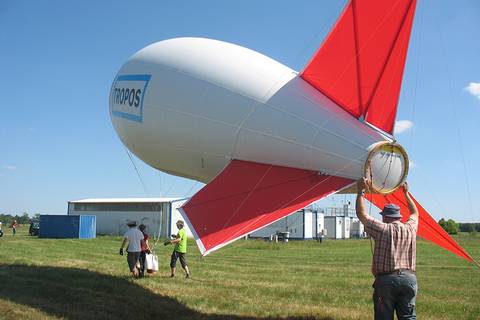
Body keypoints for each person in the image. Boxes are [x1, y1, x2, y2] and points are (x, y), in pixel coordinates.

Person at [356, 178, 419, 320]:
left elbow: (362, 215)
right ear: (398, 217)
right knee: (408, 317)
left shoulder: (383, 229)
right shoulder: (410, 228)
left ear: (385, 217)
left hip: (386, 280)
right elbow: (415, 213)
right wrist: (406, 194)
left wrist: (360, 192)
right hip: (409, 279)